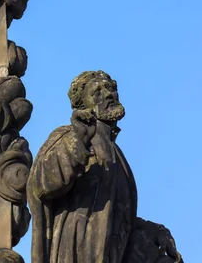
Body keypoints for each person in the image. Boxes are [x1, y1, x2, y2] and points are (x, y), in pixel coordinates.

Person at [28, 70, 182, 263]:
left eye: (111, 89)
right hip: (76, 250)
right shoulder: (69, 136)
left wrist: (152, 230)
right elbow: (43, 185)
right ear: (83, 104)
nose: (108, 94)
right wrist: (79, 141)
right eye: (97, 91)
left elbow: (118, 216)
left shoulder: (117, 153)